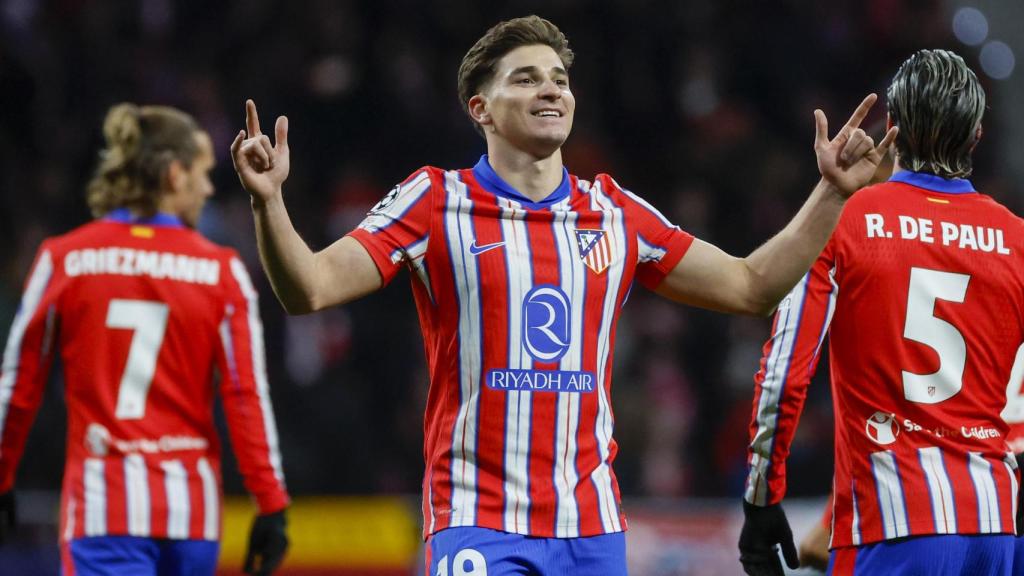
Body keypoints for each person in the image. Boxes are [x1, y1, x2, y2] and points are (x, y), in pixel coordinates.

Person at [231, 15, 893, 575]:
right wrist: (269, 207)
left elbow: (751, 286)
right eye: (526, 77)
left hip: (591, 528)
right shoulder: (436, 201)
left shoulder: (614, 212)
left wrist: (832, 191)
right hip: (477, 521)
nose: (551, 88)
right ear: (480, 108)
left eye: (561, 79)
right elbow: (309, 289)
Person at [740, 49, 1023, 575]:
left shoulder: (843, 220)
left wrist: (761, 496)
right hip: (996, 526)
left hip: (891, 524)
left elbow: (785, 372)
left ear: (891, 126)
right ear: (977, 135)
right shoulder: (1017, 239)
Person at [0, 104, 290, 575]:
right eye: (202, 173)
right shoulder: (222, 272)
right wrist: (271, 502)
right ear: (174, 175)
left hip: (103, 509)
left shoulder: (64, 260)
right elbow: (245, 395)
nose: (209, 188)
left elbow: (18, 384)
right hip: (191, 517)